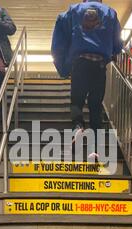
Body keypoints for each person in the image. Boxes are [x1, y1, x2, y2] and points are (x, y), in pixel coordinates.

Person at [51, 0, 123, 159]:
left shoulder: (74, 10)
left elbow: (59, 36)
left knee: (76, 101)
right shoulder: (110, 13)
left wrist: (62, 66)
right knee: (96, 106)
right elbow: (117, 42)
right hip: (99, 65)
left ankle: (78, 126)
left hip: (80, 63)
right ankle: (95, 150)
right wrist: (114, 51)